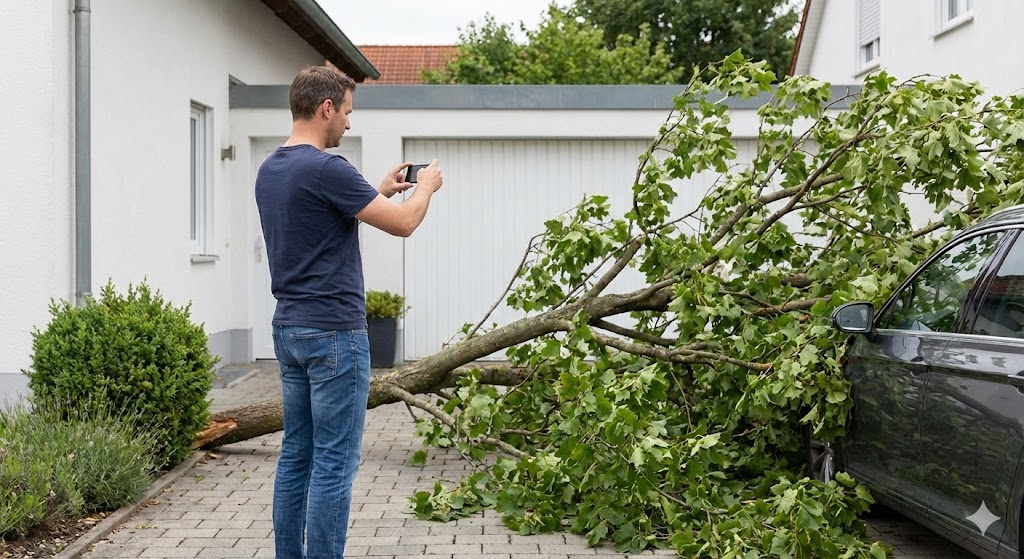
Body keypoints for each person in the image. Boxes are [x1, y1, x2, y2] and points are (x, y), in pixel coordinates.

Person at [254, 65, 443, 559]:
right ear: (326, 108)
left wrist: (378, 190)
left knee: (296, 456)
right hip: (335, 335)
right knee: (334, 464)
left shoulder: (271, 169)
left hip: (289, 330)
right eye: (347, 112)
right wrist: (426, 187)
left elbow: (320, 221)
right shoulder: (327, 168)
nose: (349, 123)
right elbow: (403, 225)